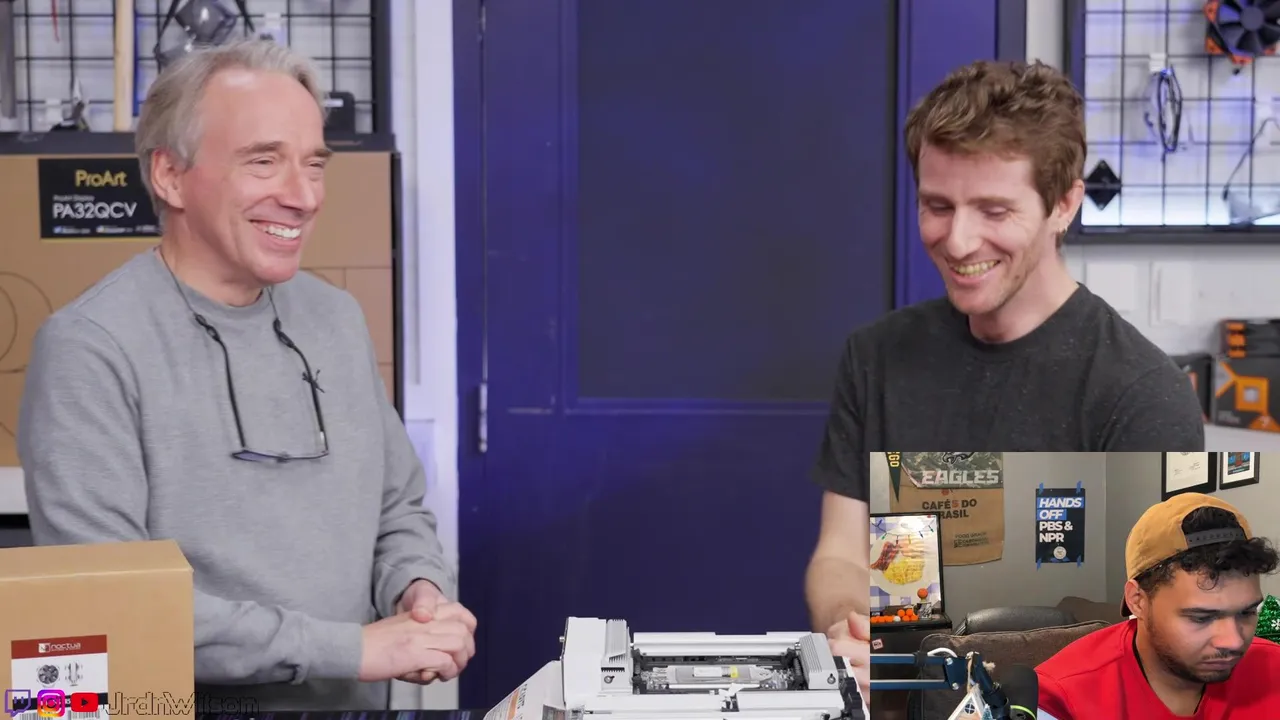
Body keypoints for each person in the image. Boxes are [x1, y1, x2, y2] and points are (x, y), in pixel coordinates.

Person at [17, 40, 473, 711]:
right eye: (264, 161)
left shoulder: (336, 319)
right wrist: (353, 649)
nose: (303, 196)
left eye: (313, 164)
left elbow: (395, 509)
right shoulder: (91, 347)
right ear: (170, 176)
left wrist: (418, 589)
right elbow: (113, 606)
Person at [816, 59, 1204, 491]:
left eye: (995, 211)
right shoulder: (877, 360)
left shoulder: (1143, 397)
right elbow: (846, 535)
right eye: (938, 207)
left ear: (1063, 206)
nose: (958, 242)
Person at [1037, 493, 1280, 719]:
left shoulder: (1274, 668)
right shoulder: (1060, 698)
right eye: (1201, 617)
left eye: (1247, 612)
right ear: (1137, 601)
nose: (1234, 642)